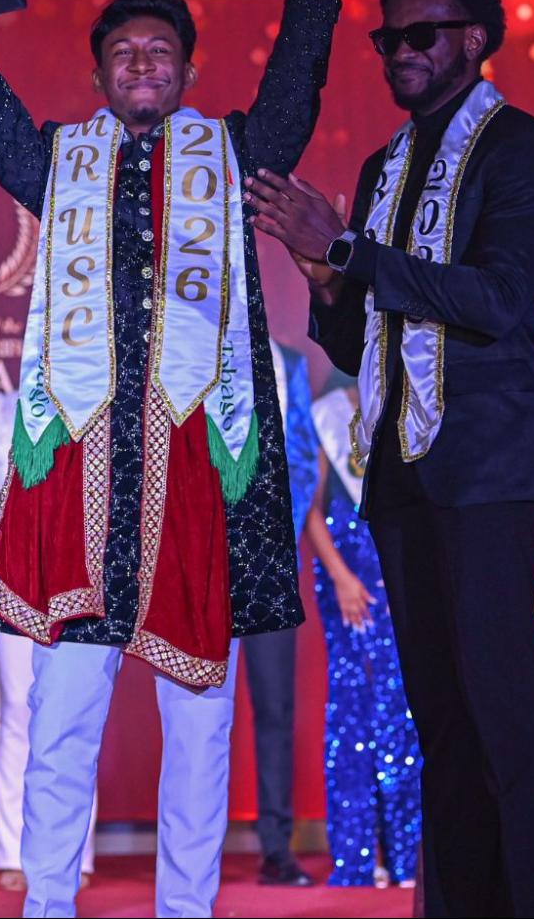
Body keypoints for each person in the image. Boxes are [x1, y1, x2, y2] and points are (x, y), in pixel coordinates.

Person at [0, 0, 344, 919]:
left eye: (162, 49)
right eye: (124, 51)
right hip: (80, 478)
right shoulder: (58, 160)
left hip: (198, 478)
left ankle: (184, 908)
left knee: (199, 731)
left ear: (188, 72)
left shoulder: (237, 152)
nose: (144, 61)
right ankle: (50, 903)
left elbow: (297, 82)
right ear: (103, 73)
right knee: (62, 718)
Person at [252, 0, 534, 916]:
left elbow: (499, 297)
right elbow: (362, 335)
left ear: (473, 41)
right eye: (387, 35)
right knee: (437, 716)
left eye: (419, 33)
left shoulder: (521, 143)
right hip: (399, 470)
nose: (398, 49)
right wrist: (322, 281)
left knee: (502, 709)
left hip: (487, 460)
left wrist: (347, 245)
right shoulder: (381, 165)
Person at [0, 389, 96, 894]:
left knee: (75, 719)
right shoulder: (2, 414)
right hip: (13, 582)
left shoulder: (97, 404)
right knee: (19, 716)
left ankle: (76, 853)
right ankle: (13, 849)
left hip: (83, 585)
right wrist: (16, 579)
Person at [305, 378, 420, 888]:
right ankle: (355, 857)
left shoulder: (406, 397)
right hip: (348, 575)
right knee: (353, 711)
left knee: (404, 712)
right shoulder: (325, 412)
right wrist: (341, 576)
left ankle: (407, 857)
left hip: (399, 566)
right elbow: (308, 505)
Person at [240, 343, 319, 886]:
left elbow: (306, 457)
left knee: (275, 709)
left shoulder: (287, 363)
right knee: (192, 708)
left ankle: (276, 846)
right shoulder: (190, 351)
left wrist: (272, 536)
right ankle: (186, 851)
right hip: (197, 559)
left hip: (268, 562)